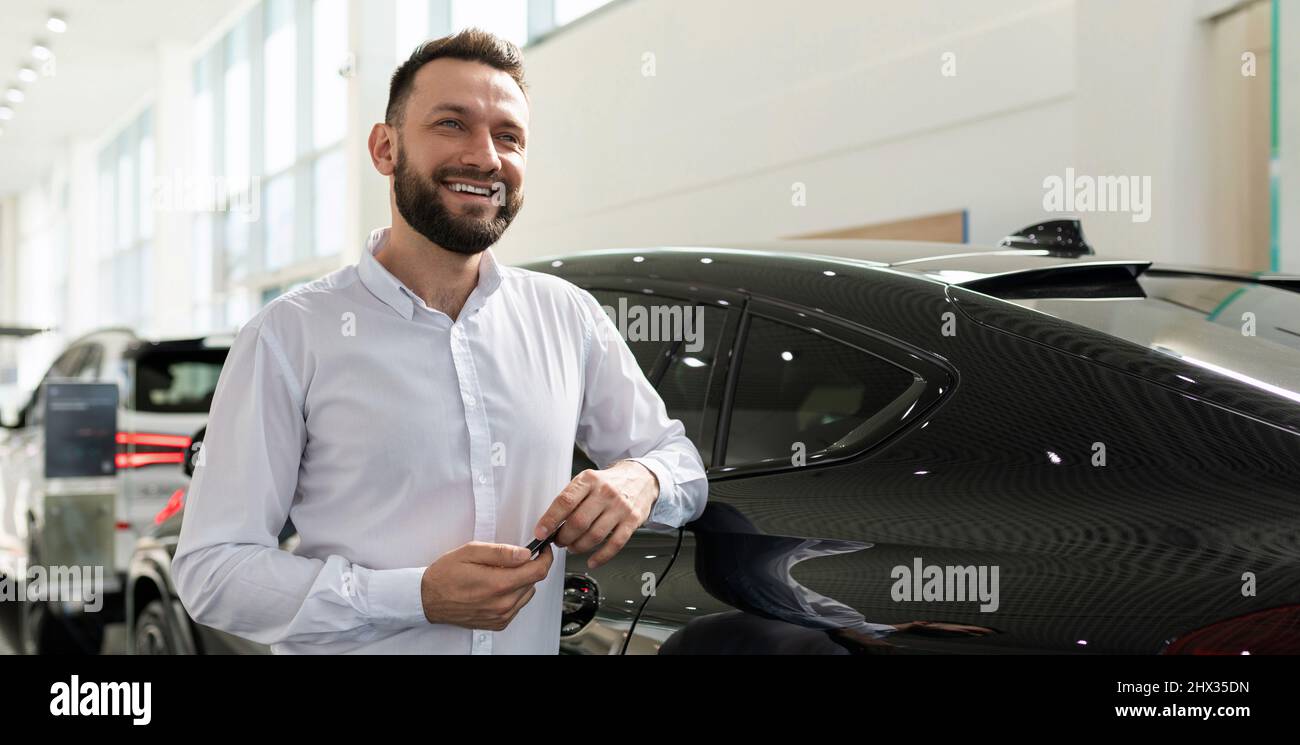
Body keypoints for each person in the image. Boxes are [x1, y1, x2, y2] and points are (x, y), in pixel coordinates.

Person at [172, 28, 708, 654]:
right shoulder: (289, 336)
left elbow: (680, 464)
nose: (485, 157)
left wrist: (642, 477)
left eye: (508, 136)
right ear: (385, 148)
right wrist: (414, 595)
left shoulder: (568, 317)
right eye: (452, 124)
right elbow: (213, 572)